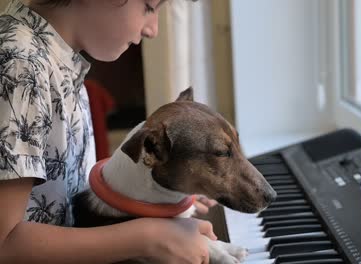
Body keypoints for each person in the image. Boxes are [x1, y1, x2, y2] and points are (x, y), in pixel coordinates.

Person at [0, 0, 218, 263]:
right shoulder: (20, 64)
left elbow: (61, 205)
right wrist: (148, 237)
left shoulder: (55, 57)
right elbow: (5, 243)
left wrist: (157, 201)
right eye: (149, 7)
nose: (152, 29)